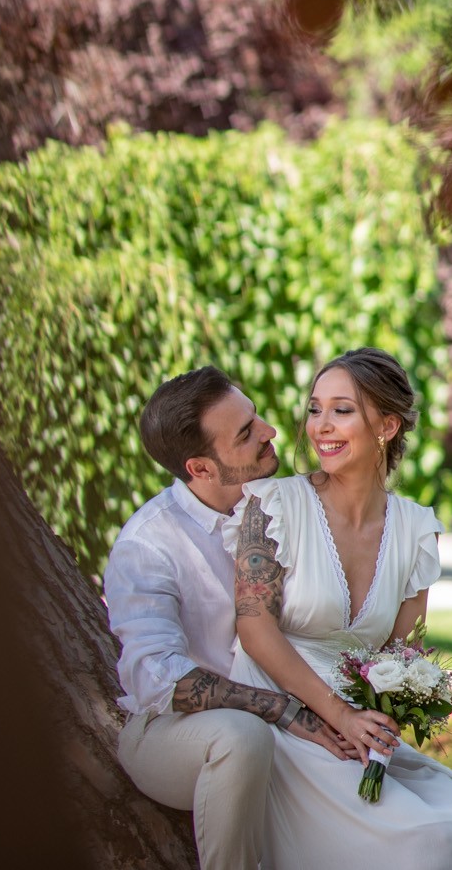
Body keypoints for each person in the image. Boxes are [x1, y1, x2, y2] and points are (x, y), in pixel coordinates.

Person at [225, 348, 452, 869]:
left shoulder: (416, 531)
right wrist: (340, 716)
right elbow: (255, 629)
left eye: (341, 410)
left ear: (387, 426)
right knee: (421, 841)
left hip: (361, 727)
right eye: (314, 409)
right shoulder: (274, 506)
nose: (320, 426)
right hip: (284, 711)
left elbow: (400, 655)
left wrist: (381, 717)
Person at [105, 366, 363, 870]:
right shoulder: (149, 545)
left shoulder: (291, 505)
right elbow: (154, 677)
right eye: (246, 434)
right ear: (200, 468)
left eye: (256, 417)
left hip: (297, 721)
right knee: (240, 737)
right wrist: (280, 708)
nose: (269, 431)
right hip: (173, 734)